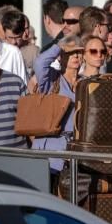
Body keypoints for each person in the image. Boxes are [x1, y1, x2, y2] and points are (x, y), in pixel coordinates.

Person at [32, 35, 85, 173]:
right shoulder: (51, 78)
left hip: (75, 150)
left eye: (78, 52)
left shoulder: (86, 83)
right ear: (60, 57)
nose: (75, 55)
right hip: (49, 148)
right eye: (70, 52)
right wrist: (60, 46)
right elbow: (39, 63)